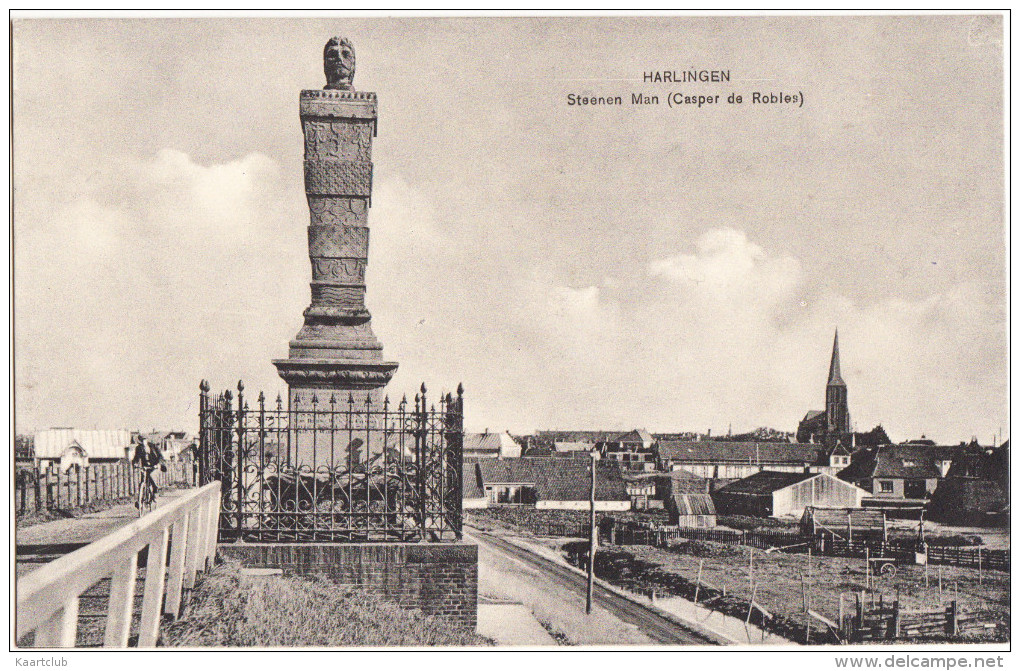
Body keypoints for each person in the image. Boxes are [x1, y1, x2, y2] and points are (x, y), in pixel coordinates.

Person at [132, 437, 165, 507]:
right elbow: (136, 457)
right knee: (142, 480)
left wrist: (157, 464)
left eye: (144, 440)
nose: (143, 442)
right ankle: (140, 499)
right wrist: (135, 463)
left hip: (155, 466)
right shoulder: (139, 448)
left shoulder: (153, 446)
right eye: (141, 441)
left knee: (151, 476)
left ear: (147, 440)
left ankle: (155, 491)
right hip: (145, 466)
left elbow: (160, 456)